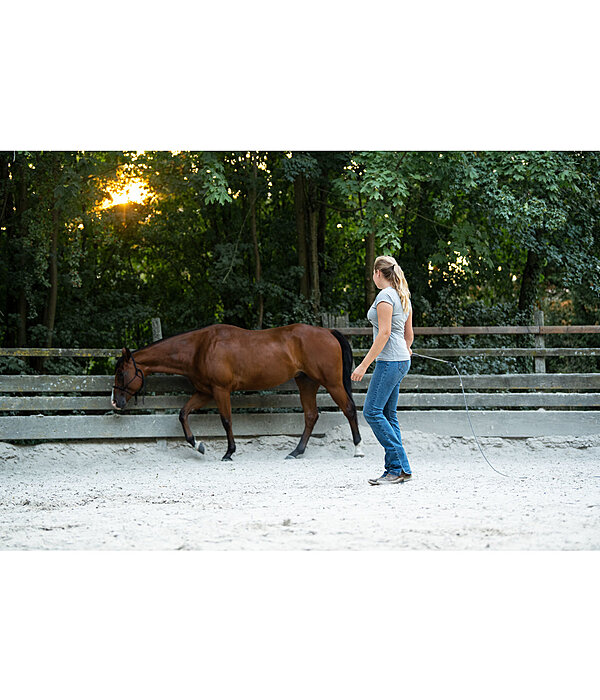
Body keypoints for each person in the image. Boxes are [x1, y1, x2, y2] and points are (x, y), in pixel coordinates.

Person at [350, 255, 414, 485]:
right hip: (400, 360)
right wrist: (406, 350)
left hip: (389, 361)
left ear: (378, 273)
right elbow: (409, 336)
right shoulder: (402, 295)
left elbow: (385, 333)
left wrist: (363, 365)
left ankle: (400, 466)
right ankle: (395, 470)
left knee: (372, 412)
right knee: (388, 415)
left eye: (372, 273)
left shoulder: (385, 296)